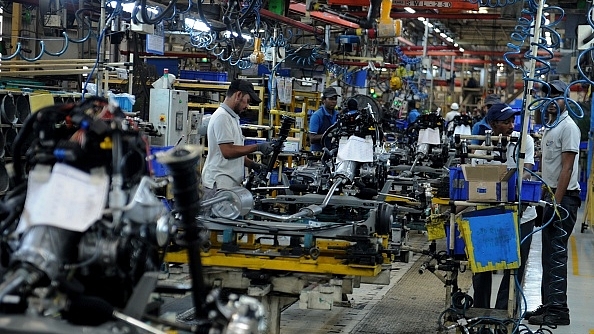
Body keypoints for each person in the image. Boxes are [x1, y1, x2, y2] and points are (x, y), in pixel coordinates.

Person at [470, 103, 537, 310]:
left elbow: (527, 170)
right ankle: (481, 312)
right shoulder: (483, 146)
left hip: (522, 215)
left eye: (512, 121)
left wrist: (511, 182)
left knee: (514, 267)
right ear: (492, 124)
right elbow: (476, 180)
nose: (510, 125)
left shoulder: (524, 140)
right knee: (482, 265)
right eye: (505, 122)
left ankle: (504, 314)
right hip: (490, 213)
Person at [525, 80, 581, 326]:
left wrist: (556, 204)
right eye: (547, 96)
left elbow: (567, 168)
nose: (551, 101)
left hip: (563, 200)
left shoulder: (568, 127)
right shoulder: (551, 126)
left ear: (566, 99)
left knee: (556, 255)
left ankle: (559, 311)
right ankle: (549, 304)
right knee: (548, 254)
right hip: (549, 197)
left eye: (556, 96)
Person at [201, 79, 274, 201]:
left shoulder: (232, 117)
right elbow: (228, 151)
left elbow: (236, 152)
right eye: (247, 101)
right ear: (238, 95)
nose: (247, 106)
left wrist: (254, 165)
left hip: (226, 185)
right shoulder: (222, 117)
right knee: (215, 220)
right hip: (218, 186)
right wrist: (257, 147)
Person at [309, 87, 340, 151]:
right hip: (318, 155)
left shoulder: (338, 115)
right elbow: (312, 138)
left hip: (333, 154)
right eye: (331, 99)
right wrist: (330, 134)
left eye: (335, 99)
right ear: (323, 100)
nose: (334, 101)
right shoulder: (317, 116)